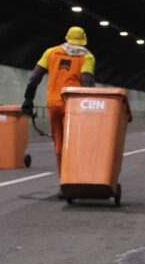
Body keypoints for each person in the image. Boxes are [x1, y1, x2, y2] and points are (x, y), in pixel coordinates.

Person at [21, 26, 95, 199]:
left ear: (67, 37)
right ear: (83, 39)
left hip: (54, 104)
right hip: (75, 105)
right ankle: (79, 180)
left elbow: (34, 78)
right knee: (77, 143)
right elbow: (87, 83)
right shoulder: (87, 57)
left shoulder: (51, 52)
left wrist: (28, 99)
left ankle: (64, 184)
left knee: (59, 144)